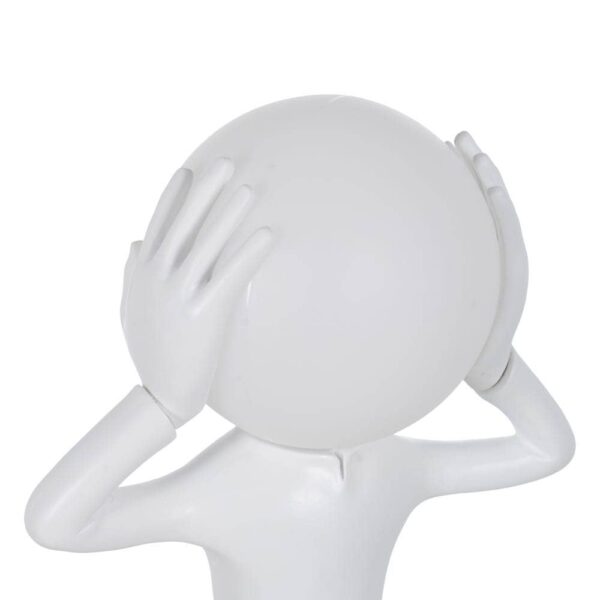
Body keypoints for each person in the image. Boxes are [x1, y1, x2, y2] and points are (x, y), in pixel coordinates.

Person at [25, 97, 574, 600]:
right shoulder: (232, 485)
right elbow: (53, 523)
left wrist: (491, 356)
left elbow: (548, 450)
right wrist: (161, 401)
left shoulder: (385, 462)